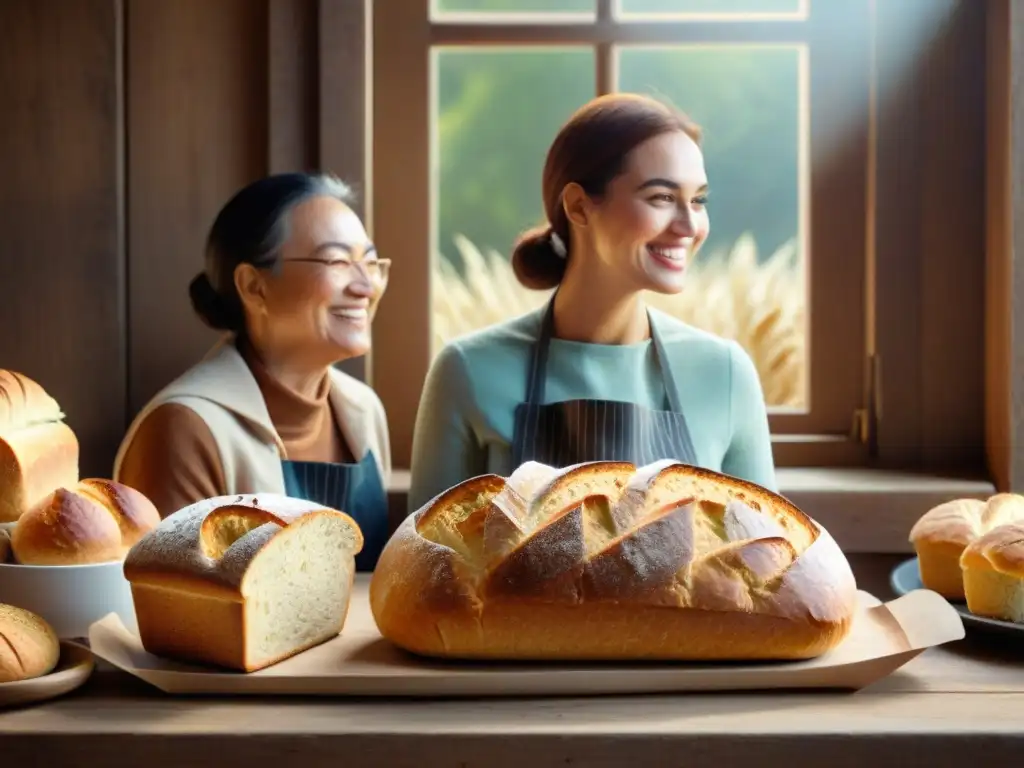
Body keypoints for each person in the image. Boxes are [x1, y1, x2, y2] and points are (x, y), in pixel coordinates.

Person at [408, 93, 776, 513]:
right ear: (579, 206)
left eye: (698, 200)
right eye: (661, 198)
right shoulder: (468, 370)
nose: (690, 225)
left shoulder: (724, 373)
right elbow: (427, 569)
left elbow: (766, 563)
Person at [114, 172, 392, 571]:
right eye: (338, 261)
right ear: (253, 286)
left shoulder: (363, 409)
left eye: (370, 262)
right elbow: (177, 608)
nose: (366, 286)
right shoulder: (184, 428)